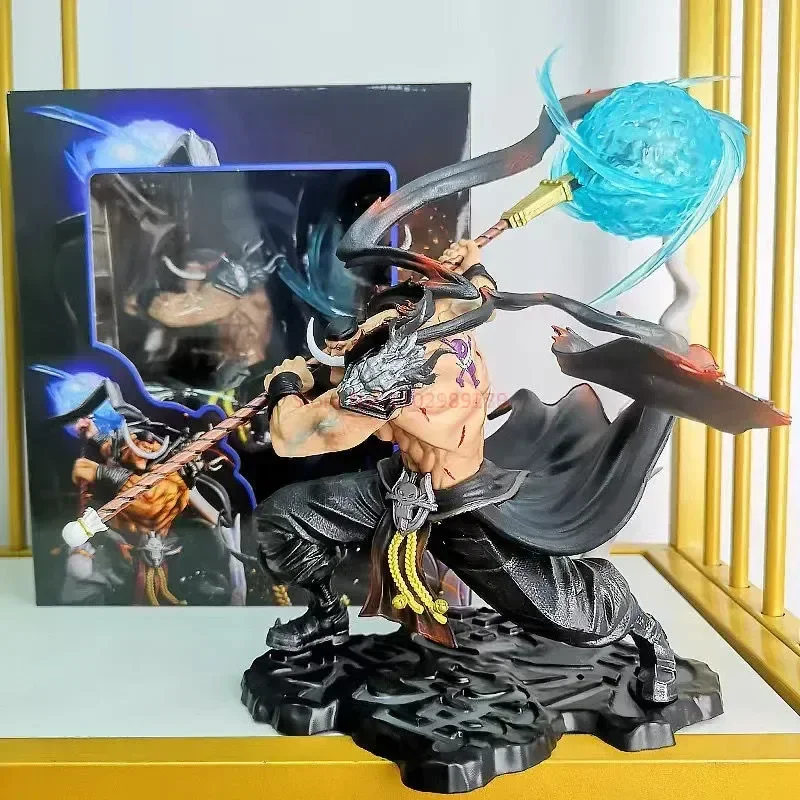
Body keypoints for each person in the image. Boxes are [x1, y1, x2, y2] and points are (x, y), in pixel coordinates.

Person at [253, 240, 681, 705]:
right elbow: (480, 293)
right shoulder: (448, 318)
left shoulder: (395, 377)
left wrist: (286, 385)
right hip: (402, 487)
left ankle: (647, 631)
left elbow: (293, 437)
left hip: (461, 506)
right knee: (285, 518)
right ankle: (326, 614)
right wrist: (471, 259)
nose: (367, 330)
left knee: (566, 617)